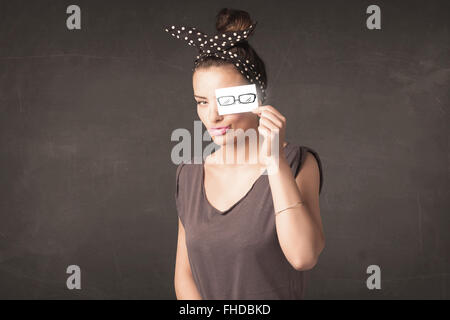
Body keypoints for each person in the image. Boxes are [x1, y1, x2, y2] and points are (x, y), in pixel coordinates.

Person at [169, 8, 325, 300]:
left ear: (257, 97)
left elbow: (303, 256)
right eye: (202, 102)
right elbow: (185, 276)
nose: (211, 117)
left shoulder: (298, 164)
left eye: (225, 101)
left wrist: (274, 163)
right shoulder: (188, 175)